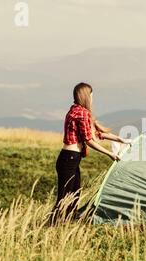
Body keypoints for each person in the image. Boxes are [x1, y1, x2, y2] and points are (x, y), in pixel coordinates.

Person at [51, 82, 130, 225]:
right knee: (65, 197)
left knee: (73, 195)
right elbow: (89, 140)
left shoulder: (76, 110)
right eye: (92, 95)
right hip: (69, 159)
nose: (93, 98)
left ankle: (65, 225)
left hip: (70, 159)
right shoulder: (81, 113)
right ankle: (53, 226)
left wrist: (119, 139)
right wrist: (109, 154)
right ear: (87, 96)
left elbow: (94, 134)